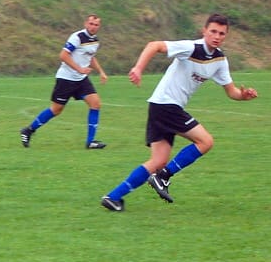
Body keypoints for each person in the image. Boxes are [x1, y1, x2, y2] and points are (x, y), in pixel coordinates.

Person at [101, 13, 258, 212]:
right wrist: (138, 68)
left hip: (161, 106)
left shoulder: (220, 60)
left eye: (221, 33)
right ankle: (163, 176)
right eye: (213, 31)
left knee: (158, 161)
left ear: (226, 36)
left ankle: (113, 197)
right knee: (205, 141)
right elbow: (154, 45)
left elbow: (231, 91)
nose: (217, 36)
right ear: (204, 31)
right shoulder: (191, 48)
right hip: (166, 105)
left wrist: (243, 96)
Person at [20, 14, 108, 149]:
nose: (93, 27)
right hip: (66, 79)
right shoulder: (77, 37)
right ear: (86, 23)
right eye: (91, 24)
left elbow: (91, 57)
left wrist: (101, 72)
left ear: (99, 27)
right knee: (56, 110)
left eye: (96, 25)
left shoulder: (95, 40)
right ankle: (29, 130)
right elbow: (63, 55)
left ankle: (91, 142)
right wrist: (79, 68)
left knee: (95, 104)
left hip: (81, 79)